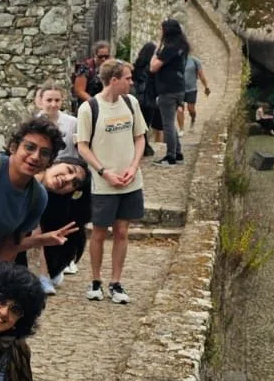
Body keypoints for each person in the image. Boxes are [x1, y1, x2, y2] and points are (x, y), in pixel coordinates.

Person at [75, 58, 147, 305]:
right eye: (127, 78)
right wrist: (104, 171)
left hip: (130, 180)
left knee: (122, 231)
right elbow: (82, 146)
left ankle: (116, 282)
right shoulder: (89, 108)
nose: (131, 82)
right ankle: (95, 280)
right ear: (114, 80)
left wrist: (133, 166)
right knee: (98, 232)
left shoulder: (131, 103)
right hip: (103, 182)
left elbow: (140, 137)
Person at [0, 116, 78, 272]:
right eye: (30, 147)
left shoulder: (37, 198)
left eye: (44, 153)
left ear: (50, 162)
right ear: (14, 147)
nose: (35, 157)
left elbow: (9, 245)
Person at [41, 156, 91, 286]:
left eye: (74, 183)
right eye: (69, 170)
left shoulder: (59, 214)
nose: (67, 179)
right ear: (55, 162)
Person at [150, 17, 190, 164]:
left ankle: (170, 156)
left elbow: (153, 67)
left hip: (167, 89)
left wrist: (157, 49)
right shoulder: (182, 46)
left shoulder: (169, 48)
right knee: (170, 122)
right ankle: (178, 153)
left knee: (167, 124)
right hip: (179, 87)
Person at [34, 83, 78, 149]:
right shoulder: (33, 124)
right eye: (49, 100)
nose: (53, 104)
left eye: (57, 100)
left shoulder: (73, 123)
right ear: (41, 101)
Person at [72, 41, 112, 108]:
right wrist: (95, 102)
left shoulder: (112, 67)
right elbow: (79, 90)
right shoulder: (86, 67)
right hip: (89, 105)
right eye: (100, 57)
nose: (103, 59)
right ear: (95, 55)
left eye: (106, 56)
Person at [178, 53, 211, 133]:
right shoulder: (176, 60)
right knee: (180, 109)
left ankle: (193, 119)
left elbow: (201, 75)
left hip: (191, 89)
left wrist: (206, 87)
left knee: (191, 108)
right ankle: (181, 129)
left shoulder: (194, 61)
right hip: (179, 90)